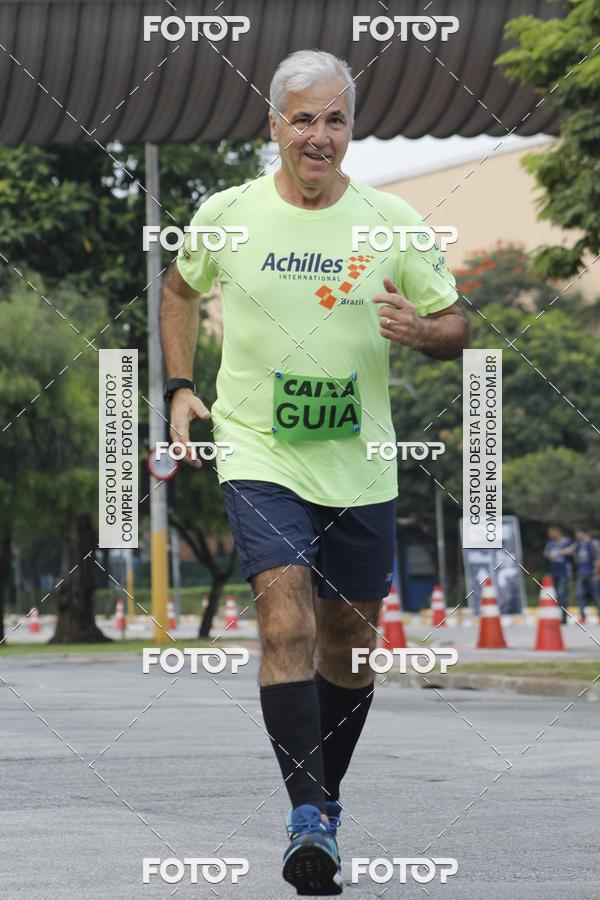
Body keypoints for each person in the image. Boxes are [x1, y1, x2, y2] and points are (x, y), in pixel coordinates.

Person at [160, 49, 469, 896]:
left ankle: (321, 804)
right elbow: (180, 288)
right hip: (258, 449)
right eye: (304, 118)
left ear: (351, 126)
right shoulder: (229, 212)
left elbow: (456, 325)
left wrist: (426, 331)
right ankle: (305, 817)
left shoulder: (393, 221)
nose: (319, 135)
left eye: (335, 118)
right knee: (285, 618)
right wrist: (184, 388)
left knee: (351, 648)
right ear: (274, 126)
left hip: (360, 461)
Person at [568, 528, 600, 624]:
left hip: (592, 573)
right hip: (581, 573)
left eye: (577, 533)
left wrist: (596, 572)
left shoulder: (593, 543)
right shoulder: (578, 544)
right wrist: (557, 553)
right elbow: (569, 550)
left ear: (583, 533)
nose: (576, 536)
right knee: (579, 595)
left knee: (596, 595)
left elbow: (598, 557)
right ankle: (582, 616)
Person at [543, 526, 573, 624]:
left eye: (551, 532)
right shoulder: (550, 543)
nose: (549, 535)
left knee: (562, 593)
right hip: (554, 572)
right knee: (555, 595)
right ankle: (557, 616)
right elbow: (546, 554)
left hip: (564, 572)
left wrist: (559, 553)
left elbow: (572, 551)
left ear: (557, 531)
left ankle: (564, 617)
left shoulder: (567, 541)